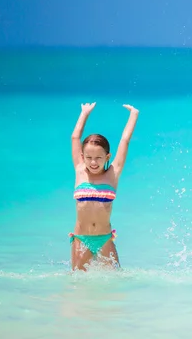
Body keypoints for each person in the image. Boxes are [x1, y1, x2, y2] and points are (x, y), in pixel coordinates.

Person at [69, 102, 139, 271]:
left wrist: (134, 114)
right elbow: (75, 138)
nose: (93, 162)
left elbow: (125, 140)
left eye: (99, 158)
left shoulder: (112, 174)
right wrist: (84, 113)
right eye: (89, 157)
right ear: (82, 156)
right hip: (81, 238)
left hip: (104, 239)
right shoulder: (80, 170)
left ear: (107, 157)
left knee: (116, 280)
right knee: (77, 284)